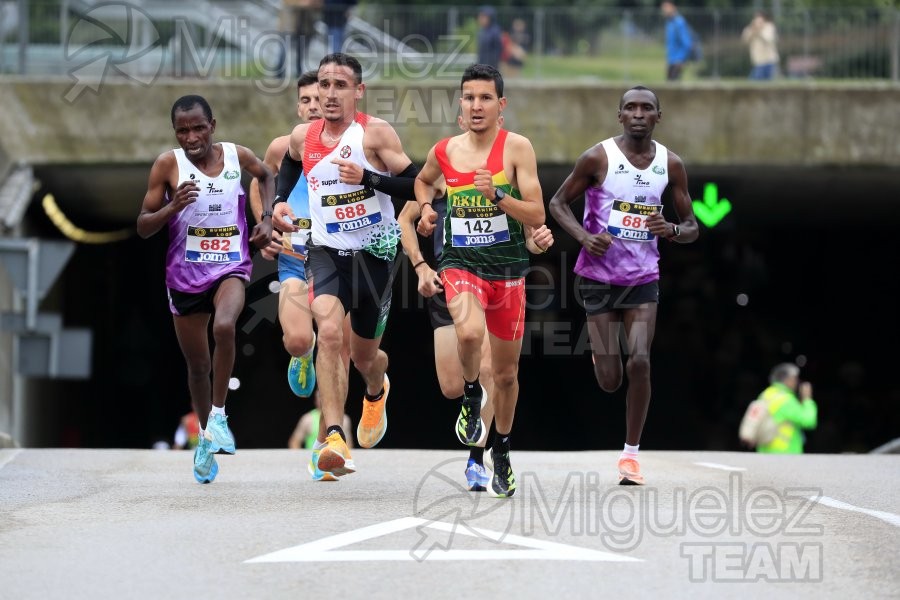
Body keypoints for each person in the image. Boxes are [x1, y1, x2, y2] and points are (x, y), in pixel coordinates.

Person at [274, 52, 420, 478]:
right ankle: (334, 434)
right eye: (324, 85)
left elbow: (420, 182)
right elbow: (287, 163)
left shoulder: (374, 135)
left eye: (340, 85)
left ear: (359, 91)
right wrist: (280, 201)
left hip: (375, 256)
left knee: (364, 357)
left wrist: (369, 178)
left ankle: (377, 390)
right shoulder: (304, 136)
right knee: (329, 332)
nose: (330, 94)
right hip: (325, 253)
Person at [548, 85, 699, 486]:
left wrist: (671, 229)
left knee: (641, 361)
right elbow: (557, 203)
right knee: (611, 380)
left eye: (646, 108)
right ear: (619, 115)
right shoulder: (598, 157)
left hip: (643, 278)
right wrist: (583, 237)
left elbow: (692, 228)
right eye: (630, 107)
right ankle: (601, 357)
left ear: (657, 117)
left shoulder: (671, 164)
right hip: (597, 277)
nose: (637, 114)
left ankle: (630, 455)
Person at [415, 64, 548, 498]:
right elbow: (422, 181)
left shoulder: (517, 148)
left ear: (500, 105)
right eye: (469, 97)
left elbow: (537, 215)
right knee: (469, 334)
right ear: (460, 103)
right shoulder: (445, 150)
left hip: (508, 273)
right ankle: (472, 396)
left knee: (507, 376)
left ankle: (502, 449)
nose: (476, 105)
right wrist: (427, 208)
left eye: (485, 98)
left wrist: (497, 195)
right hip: (461, 265)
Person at [137, 95, 274, 484]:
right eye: (183, 130)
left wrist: (265, 218)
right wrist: (171, 207)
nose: (192, 137)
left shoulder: (236, 156)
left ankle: (218, 417)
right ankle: (204, 439)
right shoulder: (168, 165)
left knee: (225, 327)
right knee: (197, 365)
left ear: (212, 125)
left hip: (231, 264)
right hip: (184, 276)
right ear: (175, 132)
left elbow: (265, 175)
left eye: (199, 128)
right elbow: (143, 226)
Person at [754, 363, 817, 454]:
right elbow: (809, 421)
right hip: (785, 453)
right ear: (789, 379)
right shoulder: (786, 400)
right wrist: (807, 399)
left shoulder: (765, 394)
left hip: (765, 450)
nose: (797, 382)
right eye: (795, 378)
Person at [288, 394, 353, 451]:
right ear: (315, 399)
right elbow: (294, 442)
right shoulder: (307, 419)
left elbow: (348, 445)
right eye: (320, 396)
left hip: (335, 459)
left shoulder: (345, 419)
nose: (324, 398)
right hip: (313, 457)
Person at [741, 10, 779, 81]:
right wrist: (753, 30)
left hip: (769, 60)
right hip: (758, 61)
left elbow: (768, 39)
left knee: (764, 83)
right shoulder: (751, 28)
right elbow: (745, 40)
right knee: (754, 82)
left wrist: (759, 31)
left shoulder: (769, 27)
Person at [661, 2, 693, 81]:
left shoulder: (679, 22)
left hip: (677, 61)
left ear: (673, 8)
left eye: (666, 8)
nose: (664, 11)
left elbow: (687, 43)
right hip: (671, 60)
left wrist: (681, 59)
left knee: (674, 84)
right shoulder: (669, 23)